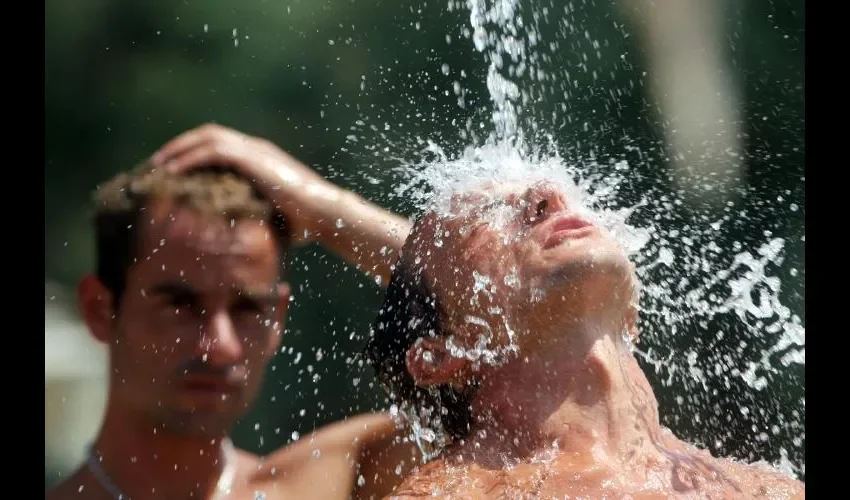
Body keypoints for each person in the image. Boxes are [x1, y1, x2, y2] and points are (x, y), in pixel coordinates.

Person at [365, 181, 805, 498]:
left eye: (560, 190)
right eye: (484, 217)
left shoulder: (770, 490)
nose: (547, 195)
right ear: (444, 354)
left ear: (632, 315)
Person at [47, 124, 418, 500]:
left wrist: (325, 208)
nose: (220, 346)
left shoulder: (331, 481)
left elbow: (477, 305)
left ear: (278, 318)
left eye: (248, 309)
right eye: (180, 305)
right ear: (100, 309)